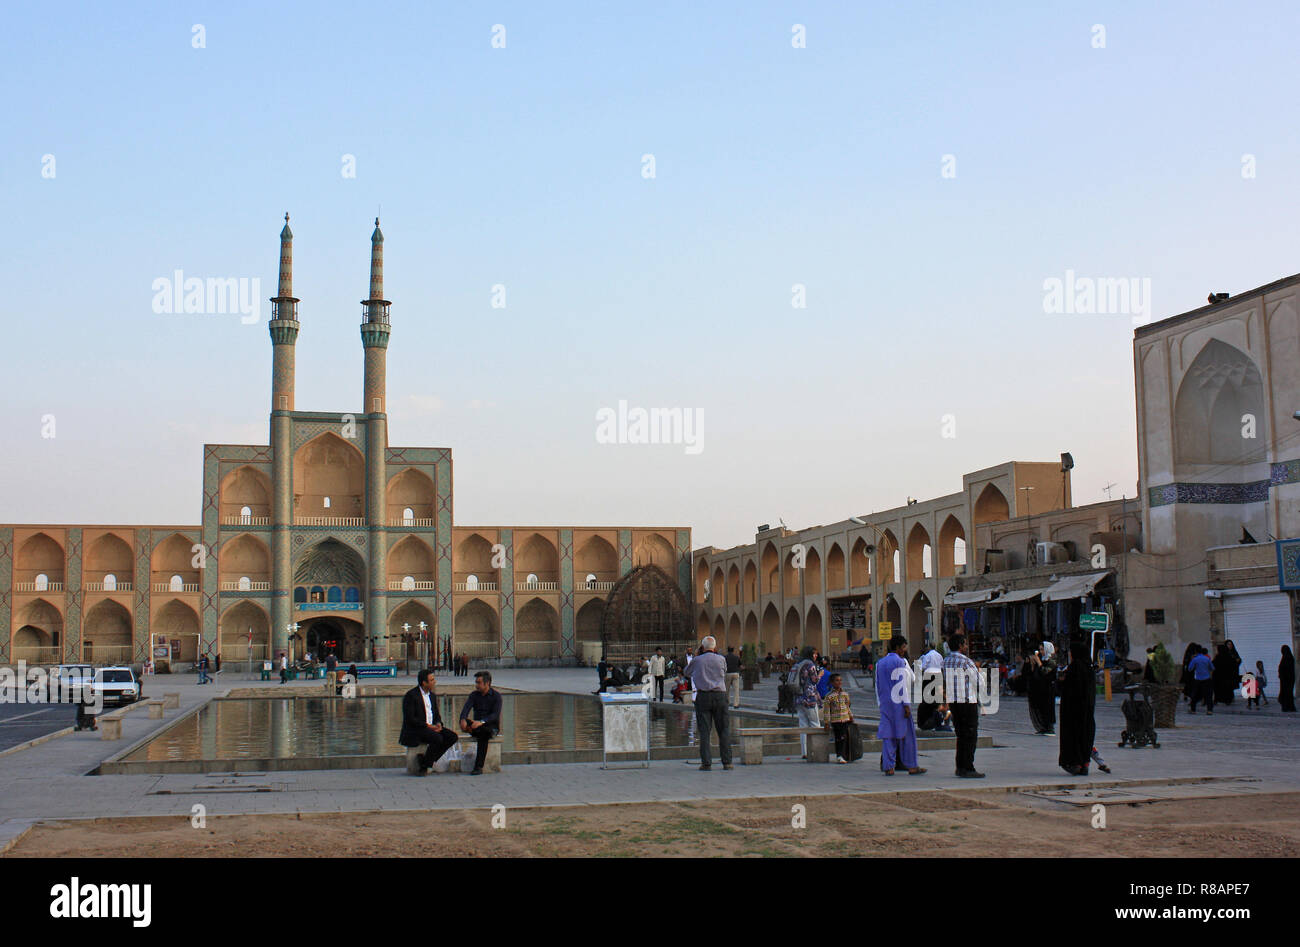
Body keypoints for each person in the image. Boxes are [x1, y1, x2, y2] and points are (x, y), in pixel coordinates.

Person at [875, 636, 925, 775]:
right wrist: (906, 705)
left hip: (885, 704)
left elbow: (877, 685)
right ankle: (912, 765)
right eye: (903, 647)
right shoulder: (900, 662)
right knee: (907, 735)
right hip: (899, 704)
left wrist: (880, 703)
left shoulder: (880, 663)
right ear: (897, 648)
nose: (904, 650)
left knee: (888, 735)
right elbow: (901, 684)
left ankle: (889, 766)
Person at [685, 636, 731, 770]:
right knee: (724, 729)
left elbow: (687, 672)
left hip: (703, 696)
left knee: (704, 731)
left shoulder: (697, 660)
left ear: (702, 647)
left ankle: (706, 763)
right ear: (715, 647)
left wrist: (697, 656)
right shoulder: (721, 659)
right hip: (720, 696)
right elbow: (724, 671)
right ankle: (727, 762)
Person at [400, 668, 458, 775]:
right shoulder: (411, 696)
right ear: (424, 683)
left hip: (432, 727)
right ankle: (425, 766)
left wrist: (438, 724)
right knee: (437, 738)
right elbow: (410, 719)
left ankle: (425, 762)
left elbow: (436, 714)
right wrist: (428, 726)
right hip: (418, 729)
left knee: (452, 736)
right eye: (431, 680)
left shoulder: (432, 696)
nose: (434, 682)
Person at [943, 633, 984, 778]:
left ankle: (959, 766)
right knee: (970, 735)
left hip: (954, 702)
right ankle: (968, 767)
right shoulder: (966, 661)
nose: (966, 647)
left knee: (960, 735)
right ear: (960, 645)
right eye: (965, 644)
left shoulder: (946, 661)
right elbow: (979, 682)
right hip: (967, 702)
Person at [1057, 636, 1096, 776]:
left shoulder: (1076, 667)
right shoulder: (1088, 667)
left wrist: (1062, 681)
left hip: (1074, 712)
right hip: (1087, 711)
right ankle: (1084, 764)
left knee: (1074, 738)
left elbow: (1072, 689)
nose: (1069, 654)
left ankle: (1075, 764)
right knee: (1085, 737)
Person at [458, 671, 503, 775]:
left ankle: (478, 766)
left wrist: (481, 722)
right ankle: (472, 728)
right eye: (476, 682)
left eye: (479, 683)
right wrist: (463, 719)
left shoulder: (496, 696)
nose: (476, 685)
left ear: (487, 683)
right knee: (470, 724)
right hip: (476, 725)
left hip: (490, 727)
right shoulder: (474, 695)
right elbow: (466, 708)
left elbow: (495, 715)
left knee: (483, 733)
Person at [792, 646, 823, 758]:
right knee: (815, 723)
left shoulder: (798, 664)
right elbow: (814, 681)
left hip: (799, 697)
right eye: (814, 654)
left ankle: (804, 751)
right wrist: (820, 675)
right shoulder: (810, 665)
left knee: (803, 725)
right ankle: (817, 749)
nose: (816, 656)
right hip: (809, 698)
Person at [821, 673, 855, 764]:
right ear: (832, 683)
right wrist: (827, 722)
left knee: (844, 737)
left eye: (840, 680)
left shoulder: (845, 694)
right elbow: (827, 711)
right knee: (839, 738)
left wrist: (851, 716)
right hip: (836, 720)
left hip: (845, 719)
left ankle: (844, 755)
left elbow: (847, 706)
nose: (839, 682)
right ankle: (839, 755)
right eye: (837, 680)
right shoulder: (829, 696)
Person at [1025, 645, 1056, 735]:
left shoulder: (1052, 661)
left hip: (1048, 690)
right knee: (1039, 708)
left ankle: (1049, 728)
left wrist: (1039, 663)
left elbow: (1045, 672)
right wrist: (1032, 665)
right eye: (1040, 649)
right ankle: (1042, 727)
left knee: (1047, 708)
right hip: (1039, 689)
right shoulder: (1042, 660)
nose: (1041, 651)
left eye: (1042, 649)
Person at [916, 642, 944, 730]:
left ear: (929, 647)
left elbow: (923, 666)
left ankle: (929, 716)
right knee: (937, 696)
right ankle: (938, 715)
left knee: (927, 696)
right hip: (938, 674)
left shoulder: (928, 655)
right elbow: (942, 665)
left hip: (929, 675)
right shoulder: (939, 655)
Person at [1187, 645, 1214, 714]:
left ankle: (1193, 710)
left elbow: (1190, 669)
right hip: (1207, 679)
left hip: (1198, 679)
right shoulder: (1207, 659)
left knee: (1195, 695)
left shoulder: (1195, 659)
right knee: (1208, 695)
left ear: (1196, 652)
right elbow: (1212, 668)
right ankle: (1209, 710)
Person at [1279, 645, 1296, 713]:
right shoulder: (1291, 658)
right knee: (1289, 693)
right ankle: (1290, 707)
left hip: (1285, 680)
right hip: (1290, 679)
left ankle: (1285, 707)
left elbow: (1283, 669)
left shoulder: (1285, 659)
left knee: (1285, 693)